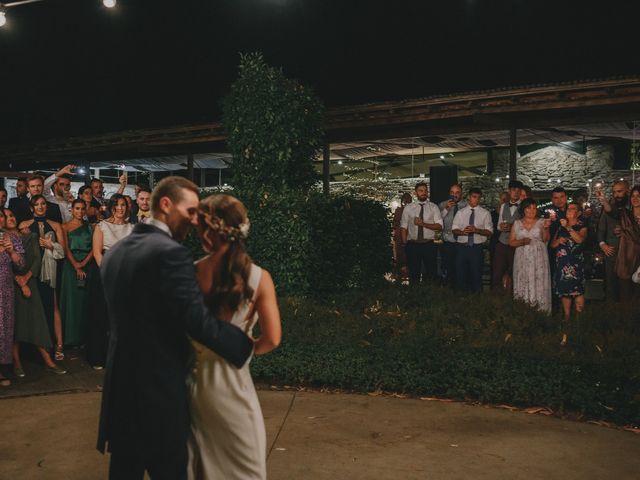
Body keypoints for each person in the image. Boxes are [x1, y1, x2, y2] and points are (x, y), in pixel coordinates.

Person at [96, 176, 254, 480]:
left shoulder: (117, 252)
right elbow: (196, 320)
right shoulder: (170, 252)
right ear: (166, 204)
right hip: (157, 395)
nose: (195, 221)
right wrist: (243, 346)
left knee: (124, 472)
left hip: (120, 390)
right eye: (191, 211)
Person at [189, 194, 281, 480]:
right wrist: (246, 348)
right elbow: (273, 339)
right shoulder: (259, 277)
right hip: (234, 387)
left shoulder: (191, 272)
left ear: (208, 231)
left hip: (196, 389)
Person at [3, 208, 65, 376]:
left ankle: (48, 362)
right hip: (12, 286)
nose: (10, 218)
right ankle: (17, 364)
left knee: (38, 322)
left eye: (12, 215)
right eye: (5, 216)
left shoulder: (28, 235)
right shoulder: (3, 238)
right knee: (15, 327)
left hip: (31, 282)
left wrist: (26, 279)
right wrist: (20, 282)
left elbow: (37, 260)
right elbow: (5, 266)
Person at [87, 194, 133, 369]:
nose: (120, 208)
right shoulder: (102, 225)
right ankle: (97, 357)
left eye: (123, 205)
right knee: (101, 316)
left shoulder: (132, 227)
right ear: (111, 207)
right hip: (104, 271)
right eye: (117, 205)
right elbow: (97, 252)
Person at [18, 195, 66, 361]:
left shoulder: (56, 225)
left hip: (49, 271)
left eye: (43, 204)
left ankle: (58, 345)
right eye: (36, 204)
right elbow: (19, 251)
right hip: (31, 272)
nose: (40, 207)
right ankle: (34, 348)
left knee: (52, 306)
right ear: (32, 208)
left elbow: (63, 252)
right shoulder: (23, 225)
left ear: (47, 206)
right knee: (32, 308)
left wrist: (51, 245)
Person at [550, 202, 588, 344]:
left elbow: (579, 240)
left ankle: (580, 333)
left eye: (573, 208)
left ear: (578, 213)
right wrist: (558, 240)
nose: (569, 210)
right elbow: (552, 245)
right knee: (565, 305)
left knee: (578, 298)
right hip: (562, 267)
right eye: (569, 208)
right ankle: (565, 335)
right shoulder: (560, 227)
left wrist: (567, 227)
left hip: (576, 267)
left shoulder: (582, 226)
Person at [60, 199, 96, 347]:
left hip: (88, 265)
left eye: (82, 209)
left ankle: (83, 338)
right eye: (77, 209)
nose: (80, 212)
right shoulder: (65, 227)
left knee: (85, 302)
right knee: (71, 302)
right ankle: (70, 338)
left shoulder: (91, 227)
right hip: (70, 266)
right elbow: (65, 248)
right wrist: (76, 266)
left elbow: (95, 247)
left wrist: (84, 263)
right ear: (71, 210)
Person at [510, 198, 552, 314]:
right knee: (523, 279)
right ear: (524, 209)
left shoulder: (542, 221)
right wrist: (521, 242)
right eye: (529, 208)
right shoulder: (517, 223)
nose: (532, 210)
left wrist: (546, 228)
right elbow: (511, 242)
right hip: (522, 257)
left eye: (534, 208)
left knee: (538, 281)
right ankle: (523, 311)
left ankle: (541, 312)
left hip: (538, 257)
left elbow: (545, 239)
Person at [600, 184, 640, 301]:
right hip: (626, 259)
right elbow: (611, 211)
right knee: (625, 295)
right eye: (633, 196)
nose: (635, 198)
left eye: (638, 196)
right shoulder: (625, 214)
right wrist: (603, 200)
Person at [0, 208, 26, 386]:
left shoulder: (12, 238)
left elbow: (21, 266)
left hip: (6, 291)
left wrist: (11, 252)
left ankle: (2, 370)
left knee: (5, 330)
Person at [400, 182, 443, 284]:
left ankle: (431, 296)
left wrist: (423, 224)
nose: (424, 193)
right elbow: (403, 227)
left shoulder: (433, 207)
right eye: (421, 191)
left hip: (429, 244)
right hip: (412, 245)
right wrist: (405, 243)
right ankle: (415, 296)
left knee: (431, 273)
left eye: (425, 190)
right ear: (415, 193)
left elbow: (440, 226)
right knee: (414, 274)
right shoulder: (408, 208)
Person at [451, 187, 493, 292]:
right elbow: (454, 229)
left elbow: (490, 232)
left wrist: (477, 230)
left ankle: (477, 301)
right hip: (462, 248)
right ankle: (462, 300)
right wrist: (462, 232)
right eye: (474, 197)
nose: (476, 200)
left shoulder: (485, 213)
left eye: (478, 197)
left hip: (476, 248)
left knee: (476, 275)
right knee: (461, 276)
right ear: (469, 197)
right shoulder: (461, 213)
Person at [596, 180, 629, 301]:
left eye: (619, 191)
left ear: (627, 190)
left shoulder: (633, 206)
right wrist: (603, 245)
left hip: (630, 254)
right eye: (614, 192)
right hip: (612, 252)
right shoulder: (608, 207)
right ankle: (612, 315)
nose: (616, 195)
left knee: (628, 287)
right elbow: (600, 229)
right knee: (611, 286)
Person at [492, 180, 523, 293]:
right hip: (502, 243)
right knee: (497, 271)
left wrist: (512, 227)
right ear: (509, 191)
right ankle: (497, 296)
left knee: (515, 271)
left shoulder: (524, 207)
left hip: (516, 244)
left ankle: (515, 296)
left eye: (518, 191)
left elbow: (525, 226)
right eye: (514, 190)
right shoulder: (504, 205)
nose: (516, 193)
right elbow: (498, 225)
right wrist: (502, 226)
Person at [439, 183, 467, 286]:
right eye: (452, 192)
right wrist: (446, 209)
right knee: (448, 268)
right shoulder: (442, 205)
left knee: (461, 269)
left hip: (462, 242)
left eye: (457, 193)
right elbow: (437, 222)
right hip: (448, 242)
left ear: (461, 194)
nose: (454, 195)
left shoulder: (466, 206)